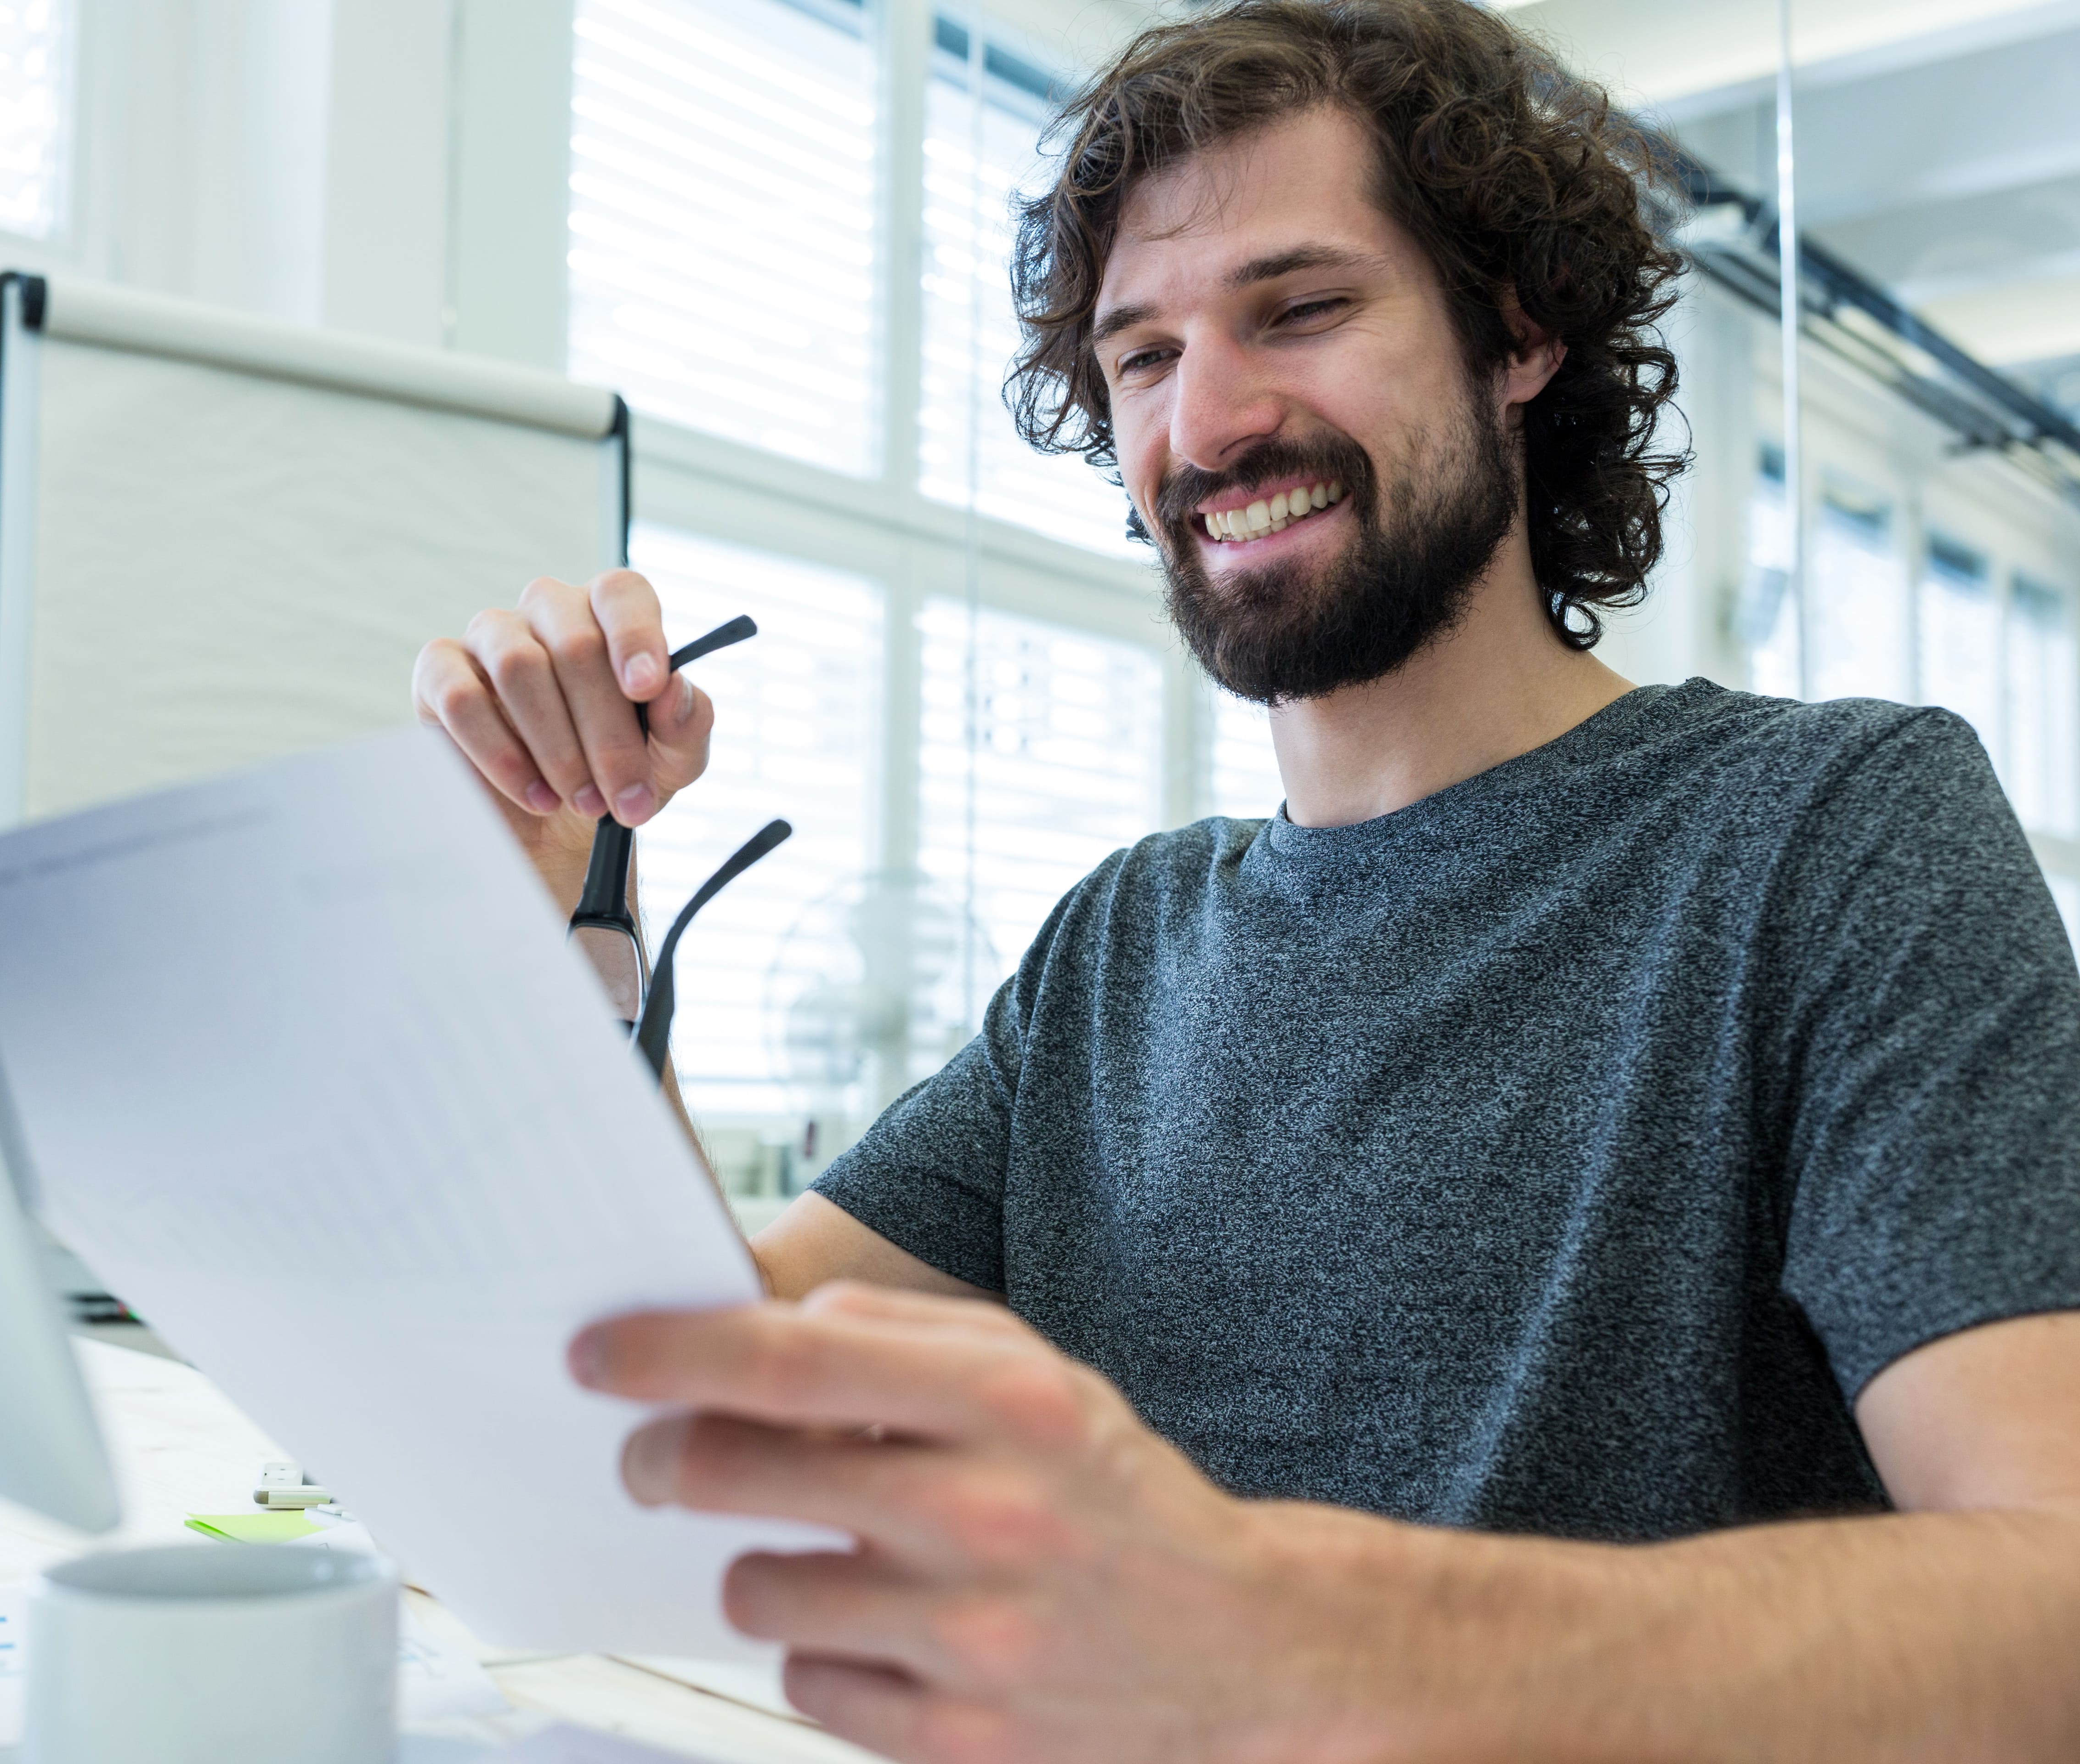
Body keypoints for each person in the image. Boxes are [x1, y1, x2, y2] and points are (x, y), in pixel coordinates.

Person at [412, 0, 2080, 1754]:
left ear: (1517, 334)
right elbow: (701, 1379)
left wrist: (1293, 1625)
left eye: (1301, 308)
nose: (1206, 424)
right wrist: (547, 915)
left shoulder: (1831, 833)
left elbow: (2053, 1609)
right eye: (1141, 356)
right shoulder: (1125, 945)